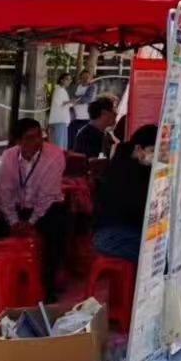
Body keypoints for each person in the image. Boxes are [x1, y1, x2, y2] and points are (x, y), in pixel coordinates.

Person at [0, 117, 74, 297]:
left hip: (48, 206)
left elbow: (47, 194)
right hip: (19, 206)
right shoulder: (9, 157)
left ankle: (48, 287)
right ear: (19, 141)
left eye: (39, 135)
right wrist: (13, 221)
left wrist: (31, 222)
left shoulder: (54, 154)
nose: (37, 141)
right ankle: (9, 283)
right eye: (30, 138)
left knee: (54, 229)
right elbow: (5, 192)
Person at [91, 124, 157, 263]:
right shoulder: (128, 172)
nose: (157, 157)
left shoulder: (125, 164)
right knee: (158, 256)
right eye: (153, 151)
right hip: (112, 236)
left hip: (114, 234)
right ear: (138, 149)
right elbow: (139, 208)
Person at [71, 94, 120, 161]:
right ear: (103, 113)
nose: (116, 113)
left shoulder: (107, 135)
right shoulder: (86, 136)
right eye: (114, 109)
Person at [46, 77, 73, 148]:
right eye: (67, 79)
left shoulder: (63, 90)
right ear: (61, 80)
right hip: (58, 120)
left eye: (70, 80)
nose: (69, 81)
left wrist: (71, 102)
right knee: (58, 144)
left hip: (62, 121)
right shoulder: (58, 90)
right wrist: (71, 101)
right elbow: (58, 103)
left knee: (62, 144)